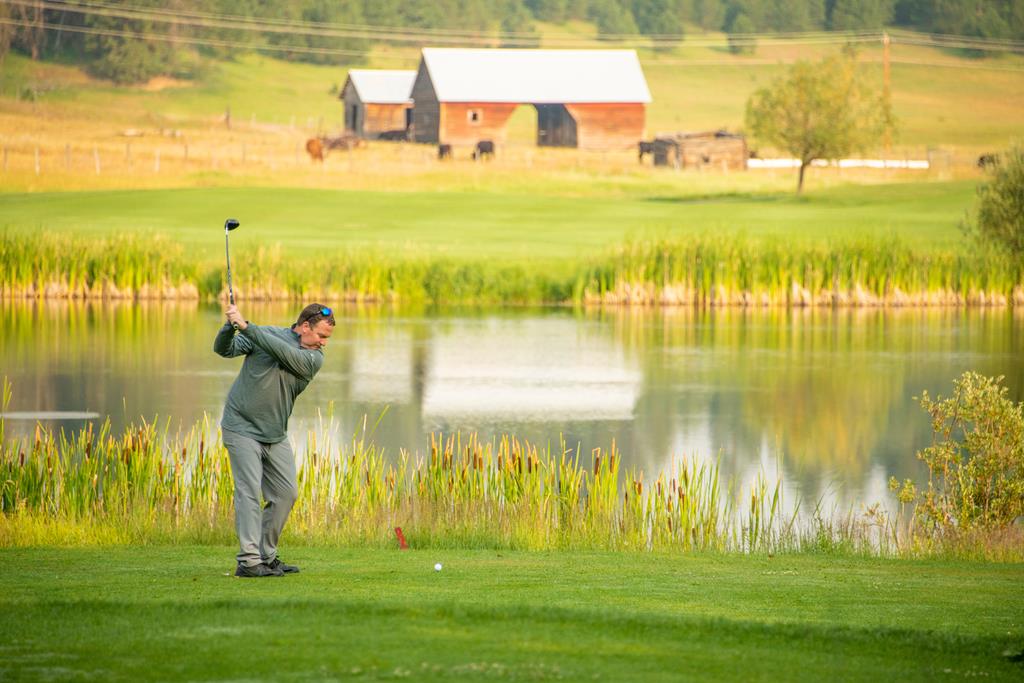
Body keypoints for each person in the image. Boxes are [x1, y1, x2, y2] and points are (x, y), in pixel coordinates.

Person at [214, 302, 335, 577]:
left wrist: (247, 327)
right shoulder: (265, 334)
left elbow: (280, 351)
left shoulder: (313, 359)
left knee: (285, 494)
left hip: (275, 434)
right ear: (305, 326)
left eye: (326, 339)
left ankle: (266, 556)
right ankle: (248, 561)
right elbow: (224, 349)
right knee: (248, 492)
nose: (324, 343)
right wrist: (230, 327)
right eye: (321, 336)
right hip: (241, 427)